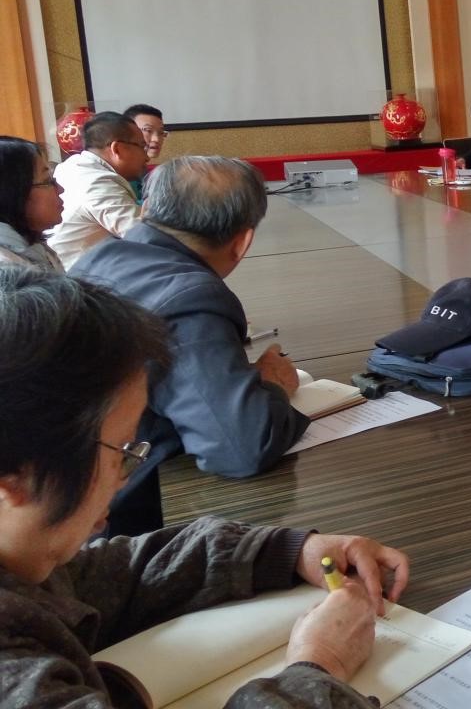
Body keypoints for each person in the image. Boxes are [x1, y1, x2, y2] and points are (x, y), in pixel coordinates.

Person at [0, 266, 408, 708]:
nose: (125, 477)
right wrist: (322, 662)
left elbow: (113, 575)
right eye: (121, 450)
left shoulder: (21, 560)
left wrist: (288, 551)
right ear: (15, 479)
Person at [71, 156, 309, 537]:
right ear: (243, 242)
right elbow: (239, 448)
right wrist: (274, 385)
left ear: (145, 209)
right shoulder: (189, 299)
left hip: (65, 495)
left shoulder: (97, 258)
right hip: (121, 526)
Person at [47, 112, 145, 269]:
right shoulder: (97, 182)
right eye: (142, 146)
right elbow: (143, 235)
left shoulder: (74, 166)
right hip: (76, 277)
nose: (146, 157)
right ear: (117, 149)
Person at [0, 137, 64, 271]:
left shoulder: (33, 245)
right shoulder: (7, 270)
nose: (60, 189)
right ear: (11, 192)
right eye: (47, 181)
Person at [123, 102, 168, 200]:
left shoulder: (149, 172)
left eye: (161, 133)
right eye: (148, 130)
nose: (156, 139)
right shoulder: (120, 175)